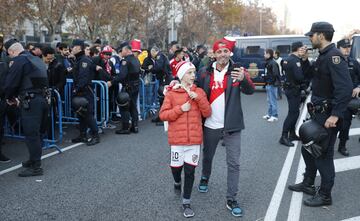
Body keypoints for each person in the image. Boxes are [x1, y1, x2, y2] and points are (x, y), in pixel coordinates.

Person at [288, 22, 352, 207]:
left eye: (312, 35)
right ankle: (308, 183)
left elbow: (345, 89)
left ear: (321, 35)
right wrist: (305, 59)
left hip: (329, 116)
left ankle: (325, 195)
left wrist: (336, 115)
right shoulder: (323, 56)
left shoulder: (334, 57)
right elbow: (310, 77)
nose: (309, 38)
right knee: (308, 148)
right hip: (318, 113)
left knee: (323, 156)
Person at [196, 39, 255, 217]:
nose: (222, 54)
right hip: (210, 123)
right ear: (214, 54)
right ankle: (205, 176)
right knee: (208, 155)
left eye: (225, 51)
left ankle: (231, 198)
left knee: (234, 163)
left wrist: (244, 80)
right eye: (219, 51)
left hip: (232, 124)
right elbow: (194, 89)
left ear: (230, 53)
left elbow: (250, 90)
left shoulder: (238, 71)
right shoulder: (205, 73)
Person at [160, 61, 211, 218]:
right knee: (176, 169)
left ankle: (186, 202)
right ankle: (176, 181)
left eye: (194, 72)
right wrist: (180, 109)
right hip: (177, 141)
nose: (193, 75)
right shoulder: (172, 94)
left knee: (190, 172)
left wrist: (199, 99)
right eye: (189, 72)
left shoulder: (200, 92)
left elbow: (207, 112)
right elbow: (163, 115)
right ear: (182, 75)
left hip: (194, 141)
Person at [4, 39, 49, 176]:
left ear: (12, 51)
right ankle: (33, 159)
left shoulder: (20, 61)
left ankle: (36, 167)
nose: (9, 57)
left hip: (31, 101)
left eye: (9, 54)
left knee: (31, 135)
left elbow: (11, 84)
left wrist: (9, 98)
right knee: (37, 134)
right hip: (42, 99)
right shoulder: (35, 59)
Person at [279, 42, 310, 147]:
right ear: (298, 48)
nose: (303, 50)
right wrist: (306, 81)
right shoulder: (295, 60)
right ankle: (283, 137)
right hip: (293, 90)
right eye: (302, 48)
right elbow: (299, 77)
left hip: (289, 88)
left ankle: (292, 134)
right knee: (294, 113)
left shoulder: (288, 59)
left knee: (293, 112)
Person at [70, 39, 100, 146]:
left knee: (87, 114)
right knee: (80, 114)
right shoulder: (78, 60)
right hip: (81, 91)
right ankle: (82, 135)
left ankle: (96, 136)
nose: (71, 49)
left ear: (78, 48)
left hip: (86, 91)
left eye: (73, 47)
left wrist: (76, 89)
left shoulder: (84, 61)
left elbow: (83, 78)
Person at [336, 38, 360, 156]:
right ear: (338, 48)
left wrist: (359, 87)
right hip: (337, 99)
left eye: (349, 47)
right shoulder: (333, 62)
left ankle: (342, 146)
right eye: (344, 47)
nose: (347, 49)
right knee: (335, 124)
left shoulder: (354, 62)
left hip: (351, 100)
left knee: (346, 124)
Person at [112, 42, 141, 134]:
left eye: (123, 50)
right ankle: (135, 126)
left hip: (128, 86)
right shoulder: (136, 59)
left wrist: (112, 81)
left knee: (124, 107)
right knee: (133, 106)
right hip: (136, 85)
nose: (121, 51)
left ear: (127, 50)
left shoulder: (126, 61)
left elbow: (122, 75)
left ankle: (125, 128)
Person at [149, 46, 173, 125]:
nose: (150, 54)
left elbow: (158, 67)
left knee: (163, 99)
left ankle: (164, 118)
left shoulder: (159, 56)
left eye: (151, 52)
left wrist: (151, 68)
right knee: (161, 99)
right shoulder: (161, 56)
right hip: (163, 78)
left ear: (154, 51)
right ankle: (160, 116)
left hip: (165, 79)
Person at [262, 49, 281, 122]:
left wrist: (269, 80)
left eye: (265, 54)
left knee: (273, 101)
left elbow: (275, 74)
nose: (264, 55)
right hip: (269, 84)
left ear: (268, 54)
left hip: (272, 84)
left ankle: (274, 116)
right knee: (269, 100)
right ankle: (270, 114)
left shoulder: (273, 63)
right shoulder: (268, 62)